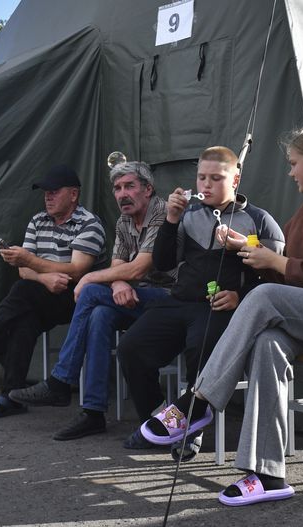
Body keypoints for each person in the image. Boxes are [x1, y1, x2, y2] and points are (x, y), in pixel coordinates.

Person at [153, 128, 303, 506]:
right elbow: (288, 271)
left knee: (265, 297)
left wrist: (274, 260)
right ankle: (268, 474)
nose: (290, 172)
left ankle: (197, 401)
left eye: (294, 163)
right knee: (268, 343)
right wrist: (246, 247)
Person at [117, 146, 284, 452]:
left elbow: (276, 278)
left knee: (202, 347)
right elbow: (164, 262)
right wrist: (170, 219)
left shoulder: (259, 220)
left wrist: (240, 297)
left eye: (215, 178)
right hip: (179, 302)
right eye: (201, 178)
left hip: (221, 307)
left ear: (235, 180)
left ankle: (191, 429)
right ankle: (164, 420)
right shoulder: (188, 216)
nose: (205, 185)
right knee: (130, 348)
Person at [8, 161, 174, 440]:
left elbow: (139, 268)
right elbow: (120, 265)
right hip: (137, 297)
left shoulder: (162, 212)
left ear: (148, 189)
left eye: (130, 186)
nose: (122, 194)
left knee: (90, 291)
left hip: (170, 299)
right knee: (99, 314)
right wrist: (117, 281)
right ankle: (94, 413)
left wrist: (89, 278)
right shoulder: (124, 220)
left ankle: (61, 380)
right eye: (117, 188)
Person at [0, 165, 107, 419]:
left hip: (79, 296)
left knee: (24, 292)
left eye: (54, 192)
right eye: (46, 192)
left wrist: (30, 262)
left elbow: (77, 270)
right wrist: (43, 278)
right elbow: (24, 271)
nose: (48, 197)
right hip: (43, 292)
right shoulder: (38, 221)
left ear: (74, 195)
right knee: (25, 317)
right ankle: (10, 395)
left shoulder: (89, 224)